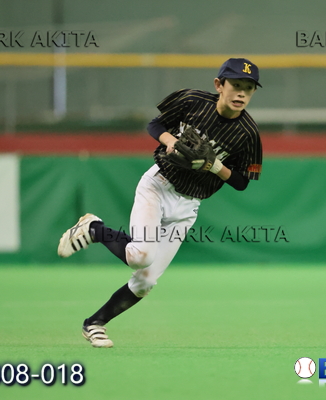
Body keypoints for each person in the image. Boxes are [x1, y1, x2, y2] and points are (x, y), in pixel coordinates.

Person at [58, 58, 263, 348]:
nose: (241, 93)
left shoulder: (248, 133)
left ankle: (94, 323)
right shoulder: (193, 101)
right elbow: (155, 124)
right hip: (158, 185)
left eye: (249, 88)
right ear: (219, 85)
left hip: (188, 206)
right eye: (236, 85)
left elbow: (241, 182)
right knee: (140, 256)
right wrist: (171, 141)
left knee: (145, 282)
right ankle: (94, 229)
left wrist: (216, 166)